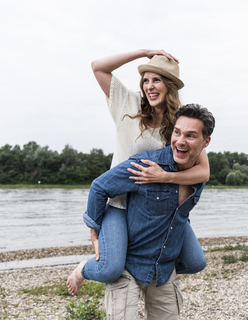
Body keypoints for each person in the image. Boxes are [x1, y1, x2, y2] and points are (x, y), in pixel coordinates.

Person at [66, 50, 208, 295]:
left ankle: (146, 264)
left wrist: (166, 177)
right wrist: (144, 52)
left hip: (158, 207)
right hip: (120, 203)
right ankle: (82, 269)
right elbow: (98, 67)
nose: (150, 86)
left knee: (195, 262)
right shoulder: (127, 102)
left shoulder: (179, 120)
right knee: (111, 268)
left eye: (157, 80)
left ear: (170, 85)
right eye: (145, 80)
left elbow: (203, 172)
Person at [86, 104, 215, 319]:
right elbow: (99, 187)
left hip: (162, 269)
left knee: (196, 262)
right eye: (177, 132)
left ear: (205, 142)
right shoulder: (145, 165)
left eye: (191, 136)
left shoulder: (198, 176)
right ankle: (86, 268)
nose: (181, 141)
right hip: (128, 265)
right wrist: (95, 233)